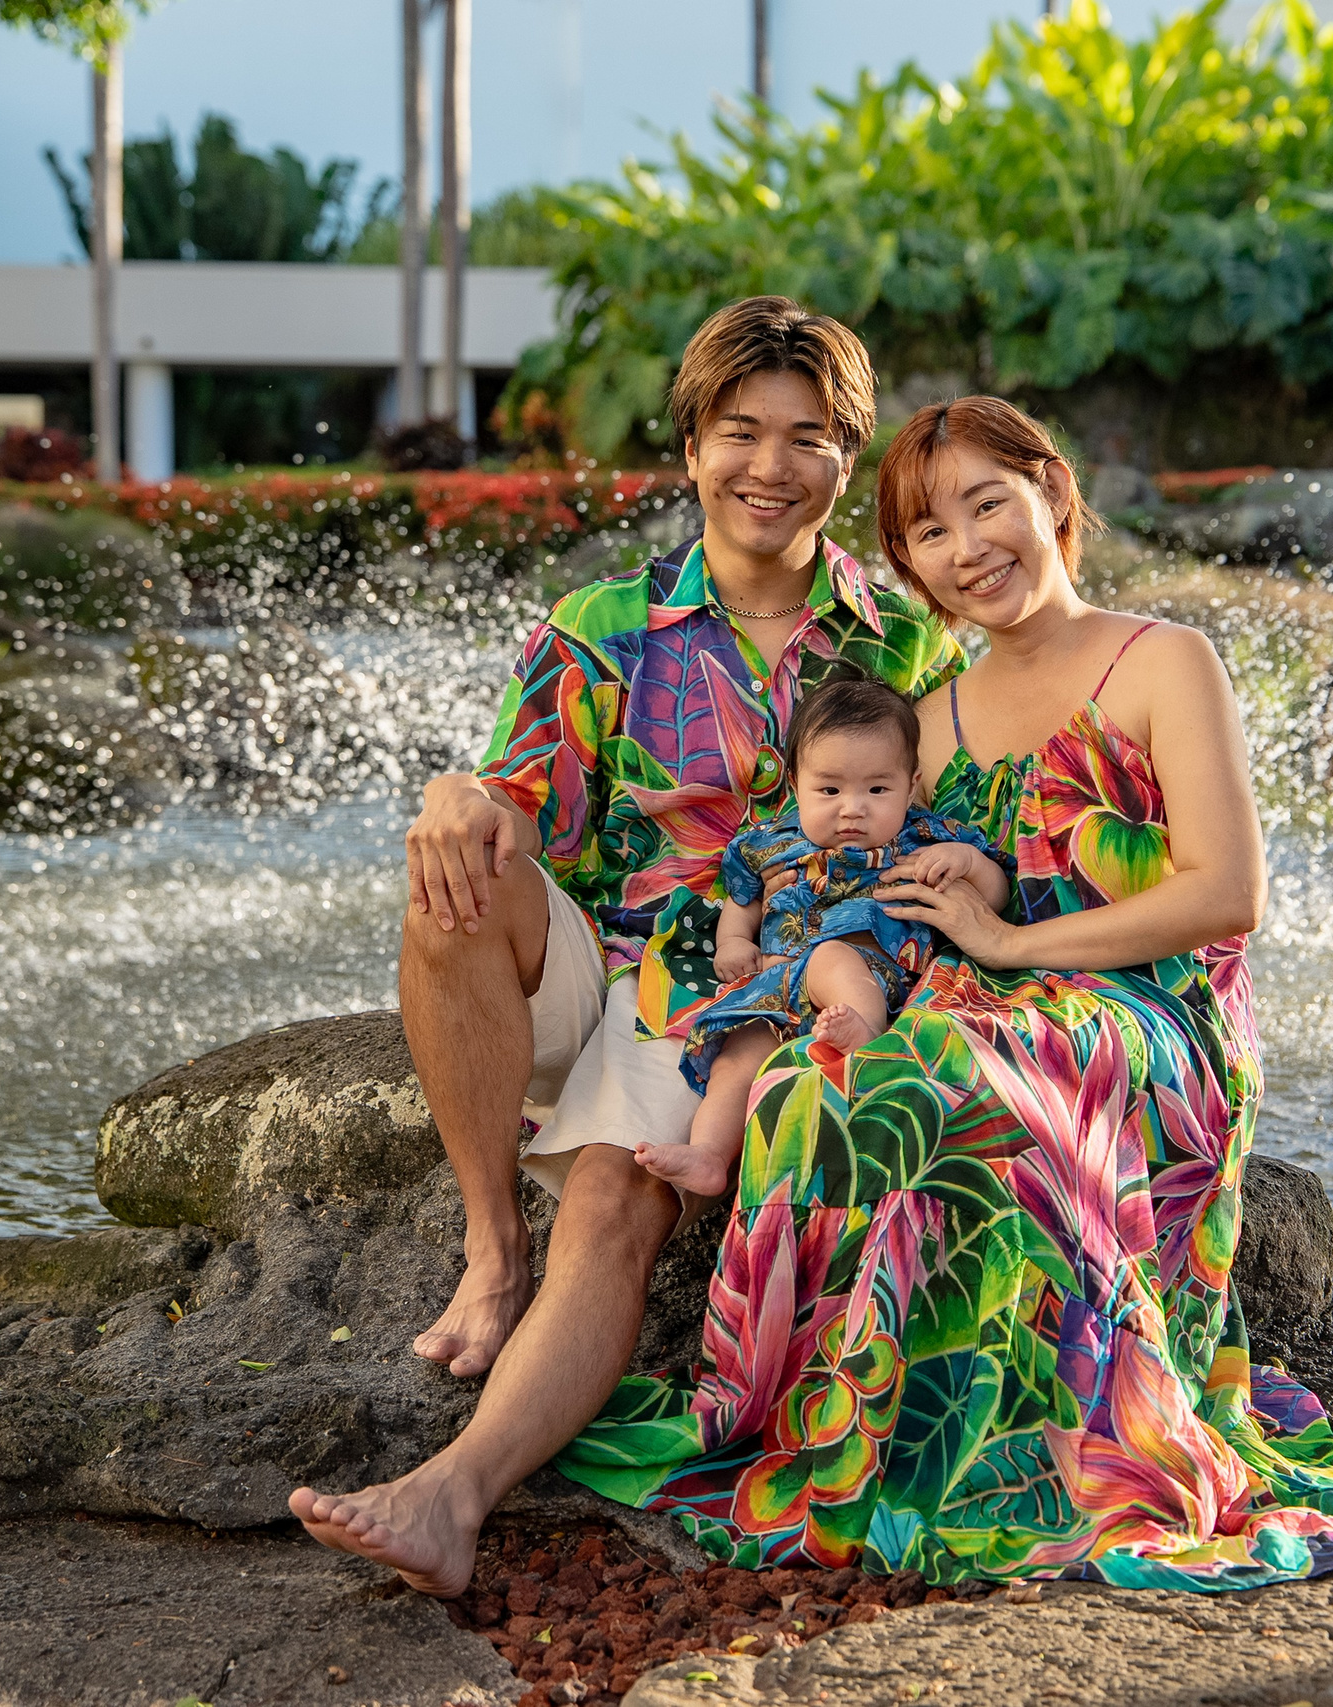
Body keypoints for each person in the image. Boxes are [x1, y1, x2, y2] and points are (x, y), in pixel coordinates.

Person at [551, 397, 1333, 1589]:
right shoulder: (931, 723)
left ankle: (1058, 1460)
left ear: (1050, 495)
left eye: (986, 503)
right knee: (820, 1079)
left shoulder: (1163, 658)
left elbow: (1227, 896)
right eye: (927, 533)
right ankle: (866, 1435)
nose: (967, 548)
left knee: (976, 1076)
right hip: (975, 994)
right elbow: (872, 894)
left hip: (1149, 1014)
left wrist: (1007, 943)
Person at [288, 298, 965, 1592]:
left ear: (846, 456)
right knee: (453, 886)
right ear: (694, 447)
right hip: (604, 951)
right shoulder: (599, 623)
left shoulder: (908, 640)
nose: (771, 465)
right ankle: (492, 1245)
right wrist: (456, 794)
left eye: (808, 437)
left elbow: (956, 819)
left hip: (748, 988)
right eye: (741, 431)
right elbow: (513, 808)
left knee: (615, 1192)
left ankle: (450, 1495)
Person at [634, 677, 1008, 1200]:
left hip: (870, 971)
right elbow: (741, 902)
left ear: (910, 783)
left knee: (832, 956)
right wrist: (735, 943)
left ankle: (867, 1035)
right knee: (735, 1058)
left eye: (877, 789)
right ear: (795, 785)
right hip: (778, 983)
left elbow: (995, 896)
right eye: (829, 790)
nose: (852, 808)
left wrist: (969, 864)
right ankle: (709, 1155)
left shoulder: (924, 838)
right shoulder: (769, 844)